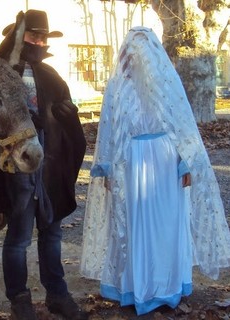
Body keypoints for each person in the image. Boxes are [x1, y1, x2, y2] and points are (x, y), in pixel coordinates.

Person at [79, 26, 230, 316]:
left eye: (144, 51)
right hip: (131, 165)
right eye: (133, 52)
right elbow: (109, 127)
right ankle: (138, 287)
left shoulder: (167, 83)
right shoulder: (118, 85)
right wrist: (108, 168)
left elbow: (183, 124)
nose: (139, 57)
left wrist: (185, 162)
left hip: (165, 163)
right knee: (136, 226)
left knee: (165, 226)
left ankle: (166, 285)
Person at [0, 9, 88, 320]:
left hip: (50, 168)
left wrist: (66, 113)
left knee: (52, 232)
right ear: (19, 38)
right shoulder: (3, 74)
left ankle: (57, 295)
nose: (41, 41)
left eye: (44, 37)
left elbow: (70, 125)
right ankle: (20, 301)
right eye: (34, 35)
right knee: (19, 236)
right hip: (17, 168)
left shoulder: (51, 76)